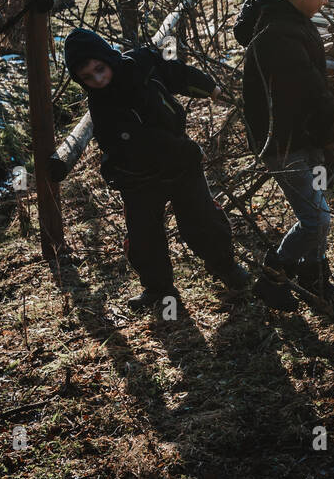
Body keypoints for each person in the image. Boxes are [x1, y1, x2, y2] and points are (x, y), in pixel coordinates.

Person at [63, 27, 256, 314]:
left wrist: (211, 90)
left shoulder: (141, 64)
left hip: (180, 164)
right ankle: (159, 290)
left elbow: (175, 73)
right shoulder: (101, 104)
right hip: (137, 177)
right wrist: (181, 151)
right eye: (88, 77)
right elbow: (130, 143)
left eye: (100, 69)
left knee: (202, 221)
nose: (98, 80)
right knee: (144, 239)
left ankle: (226, 268)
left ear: (107, 58)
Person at [234, 0, 334, 303]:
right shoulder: (279, 36)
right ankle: (272, 278)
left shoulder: (290, 23)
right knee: (317, 218)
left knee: (319, 208)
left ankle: (314, 278)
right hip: (285, 144)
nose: (325, 2)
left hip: (303, 138)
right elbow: (309, 91)